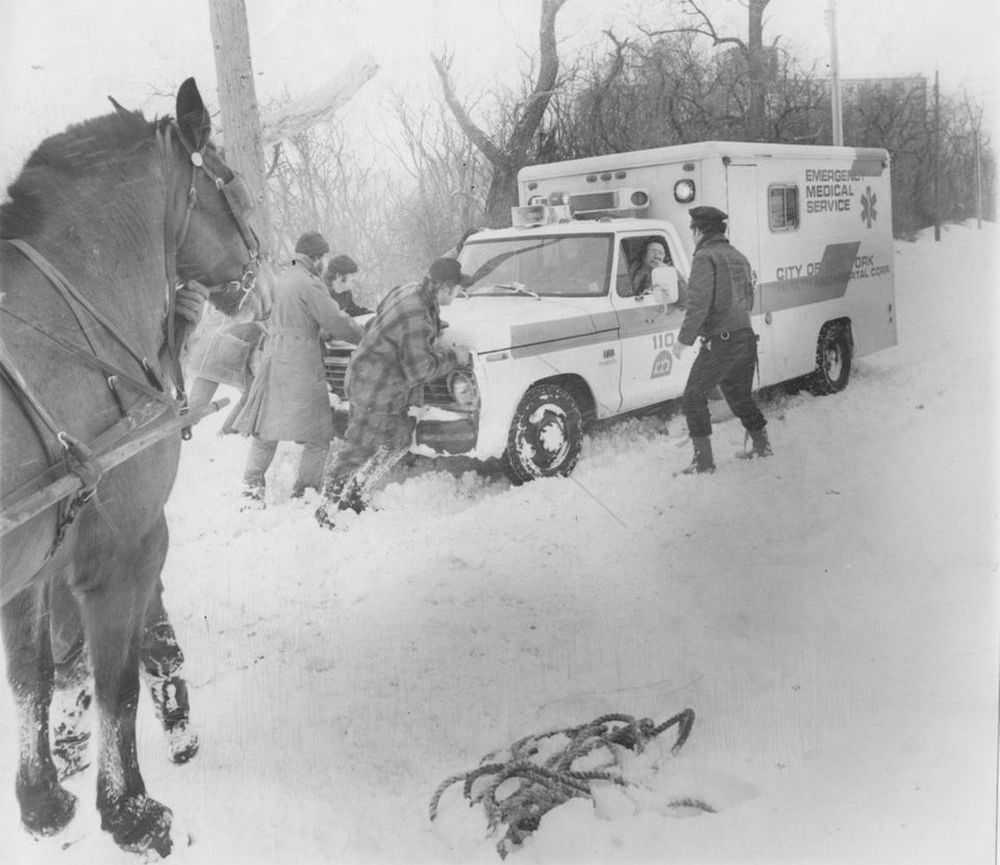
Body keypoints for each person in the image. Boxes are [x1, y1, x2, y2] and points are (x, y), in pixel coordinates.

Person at [315, 256, 473, 528]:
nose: (460, 294)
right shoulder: (417, 314)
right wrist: (454, 358)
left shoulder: (409, 290)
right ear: (445, 287)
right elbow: (420, 370)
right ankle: (327, 508)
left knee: (399, 439)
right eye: (458, 289)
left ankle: (355, 494)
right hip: (374, 385)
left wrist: (430, 331)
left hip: (382, 381)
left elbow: (383, 312)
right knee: (359, 447)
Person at [232, 231, 364, 506]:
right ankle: (304, 493)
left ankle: (251, 488)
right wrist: (367, 336)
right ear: (316, 257)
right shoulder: (308, 282)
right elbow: (336, 321)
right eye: (324, 258)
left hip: (273, 357)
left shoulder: (281, 276)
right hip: (300, 362)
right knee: (318, 434)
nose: (325, 263)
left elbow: (283, 316)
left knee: (267, 428)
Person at [671, 206, 772, 474]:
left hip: (722, 341)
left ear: (698, 230)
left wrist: (683, 341)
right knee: (738, 395)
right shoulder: (739, 257)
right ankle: (763, 444)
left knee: (693, 396)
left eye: (692, 230)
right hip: (745, 338)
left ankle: (703, 462)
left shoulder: (705, 257)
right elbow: (748, 299)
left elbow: (699, 305)